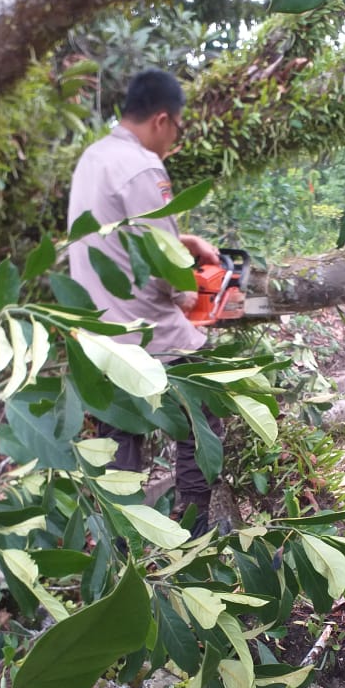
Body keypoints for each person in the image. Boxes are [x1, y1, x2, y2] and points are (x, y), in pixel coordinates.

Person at [67, 68, 223, 534]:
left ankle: (122, 544)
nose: (174, 138)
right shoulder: (144, 167)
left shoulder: (94, 158)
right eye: (177, 127)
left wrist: (184, 240)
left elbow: (126, 235)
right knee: (204, 410)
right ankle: (195, 530)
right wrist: (194, 293)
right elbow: (167, 274)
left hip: (98, 336)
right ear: (162, 119)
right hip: (144, 333)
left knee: (120, 445)